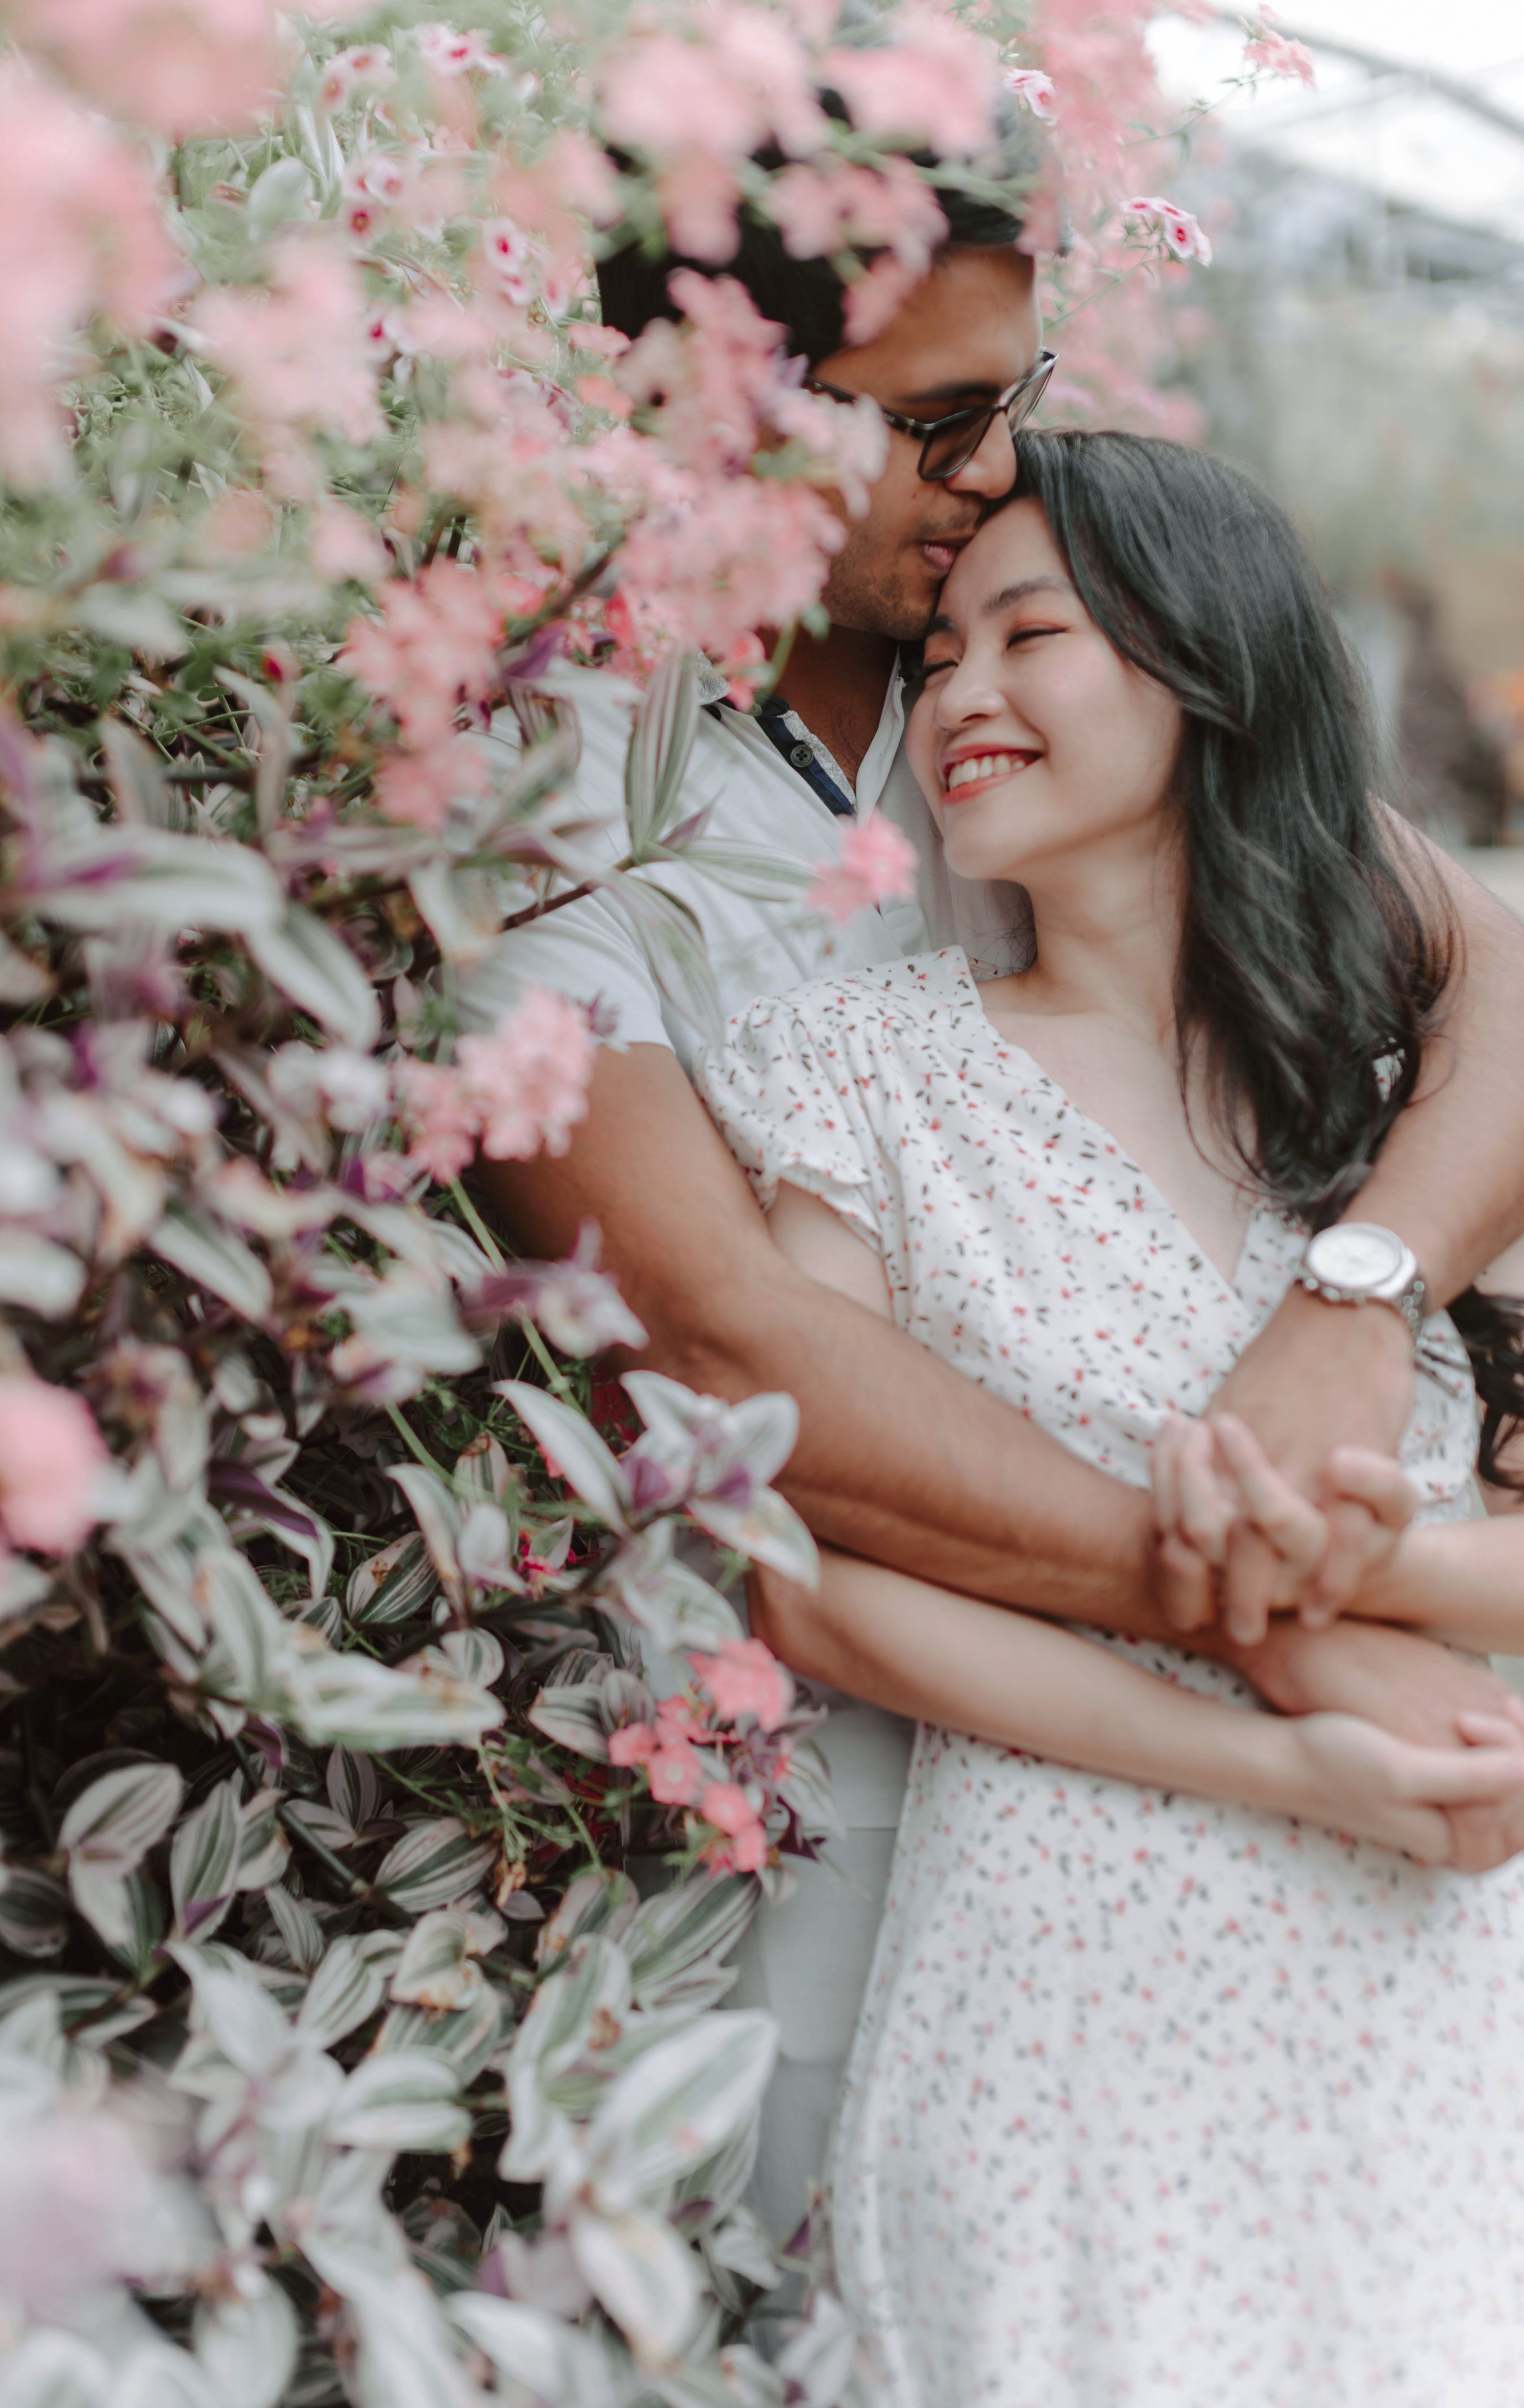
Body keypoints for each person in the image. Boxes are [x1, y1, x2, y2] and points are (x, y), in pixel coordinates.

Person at [469, 168, 1524, 2239]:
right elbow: (726, 1354)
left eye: (1013, 395)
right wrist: (1284, 1623)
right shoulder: (543, 776)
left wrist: (1354, 1305)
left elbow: (1488, 972)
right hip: (839, 1784)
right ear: (717, 416)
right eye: (937, 422)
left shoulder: (1043, 683)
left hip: (1331, 1824)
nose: (1001, 464)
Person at [696, 430, 1524, 2404]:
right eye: (937, 658)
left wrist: (1365, 1563)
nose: (961, 692)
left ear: (1206, 663)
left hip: (1450, 1974)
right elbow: (818, 1586)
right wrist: (1286, 1761)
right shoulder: (851, 1071)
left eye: (1030, 633)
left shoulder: (1406, 1101)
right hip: (1065, 1990)